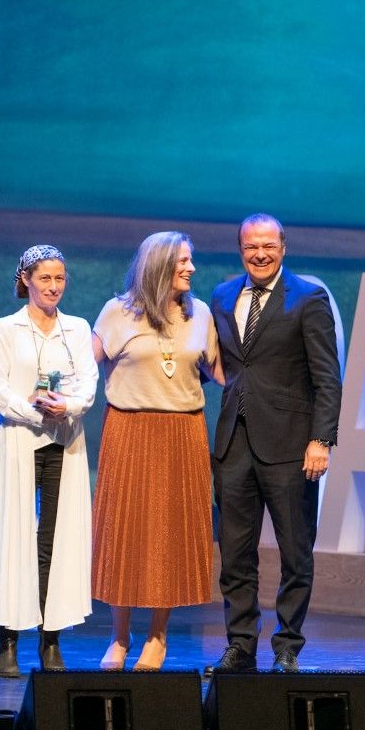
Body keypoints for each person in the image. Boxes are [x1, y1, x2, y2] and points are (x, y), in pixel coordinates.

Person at [204, 213, 342, 674]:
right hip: (233, 445)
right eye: (250, 247)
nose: (259, 254)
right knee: (235, 554)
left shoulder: (308, 297)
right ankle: (240, 645)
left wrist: (321, 438)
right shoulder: (223, 296)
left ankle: (287, 647)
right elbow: (223, 365)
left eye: (268, 246)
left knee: (295, 552)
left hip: (289, 445)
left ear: (283, 246)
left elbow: (327, 378)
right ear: (239, 249)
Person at [91, 231, 221, 672]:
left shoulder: (199, 313)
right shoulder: (118, 312)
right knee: (125, 531)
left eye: (191, 260)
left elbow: (222, 372)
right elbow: (78, 365)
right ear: (160, 265)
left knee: (168, 535)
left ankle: (158, 636)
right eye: (183, 261)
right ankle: (120, 637)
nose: (191, 268)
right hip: (129, 430)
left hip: (182, 433)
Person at [0, 245, 98, 677]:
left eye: (60, 278)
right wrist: (35, 411)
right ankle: (7, 640)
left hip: (64, 443)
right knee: (15, 537)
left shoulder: (77, 329)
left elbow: (86, 384)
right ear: (25, 279)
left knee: (55, 541)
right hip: (20, 441)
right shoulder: (7, 329)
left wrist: (67, 408)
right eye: (45, 278)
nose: (53, 286)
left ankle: (50, 641)